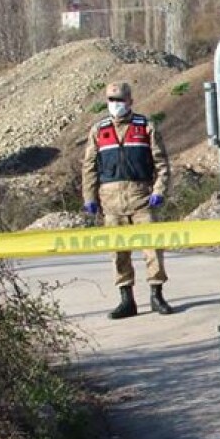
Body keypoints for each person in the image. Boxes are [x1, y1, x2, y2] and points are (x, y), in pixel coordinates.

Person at [81, 81, 174, 319]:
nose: (116, 105)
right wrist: (89, 197)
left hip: (142, 198)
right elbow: (89, 167)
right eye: (111, 101)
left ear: (130, 101)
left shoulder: (145, 127)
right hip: (111, 202)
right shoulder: (98, 131)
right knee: (118, 252)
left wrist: (159, 191)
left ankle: (157, 295)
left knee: (152, 248)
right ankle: (126, 299)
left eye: (120, 100)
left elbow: (161, 164)